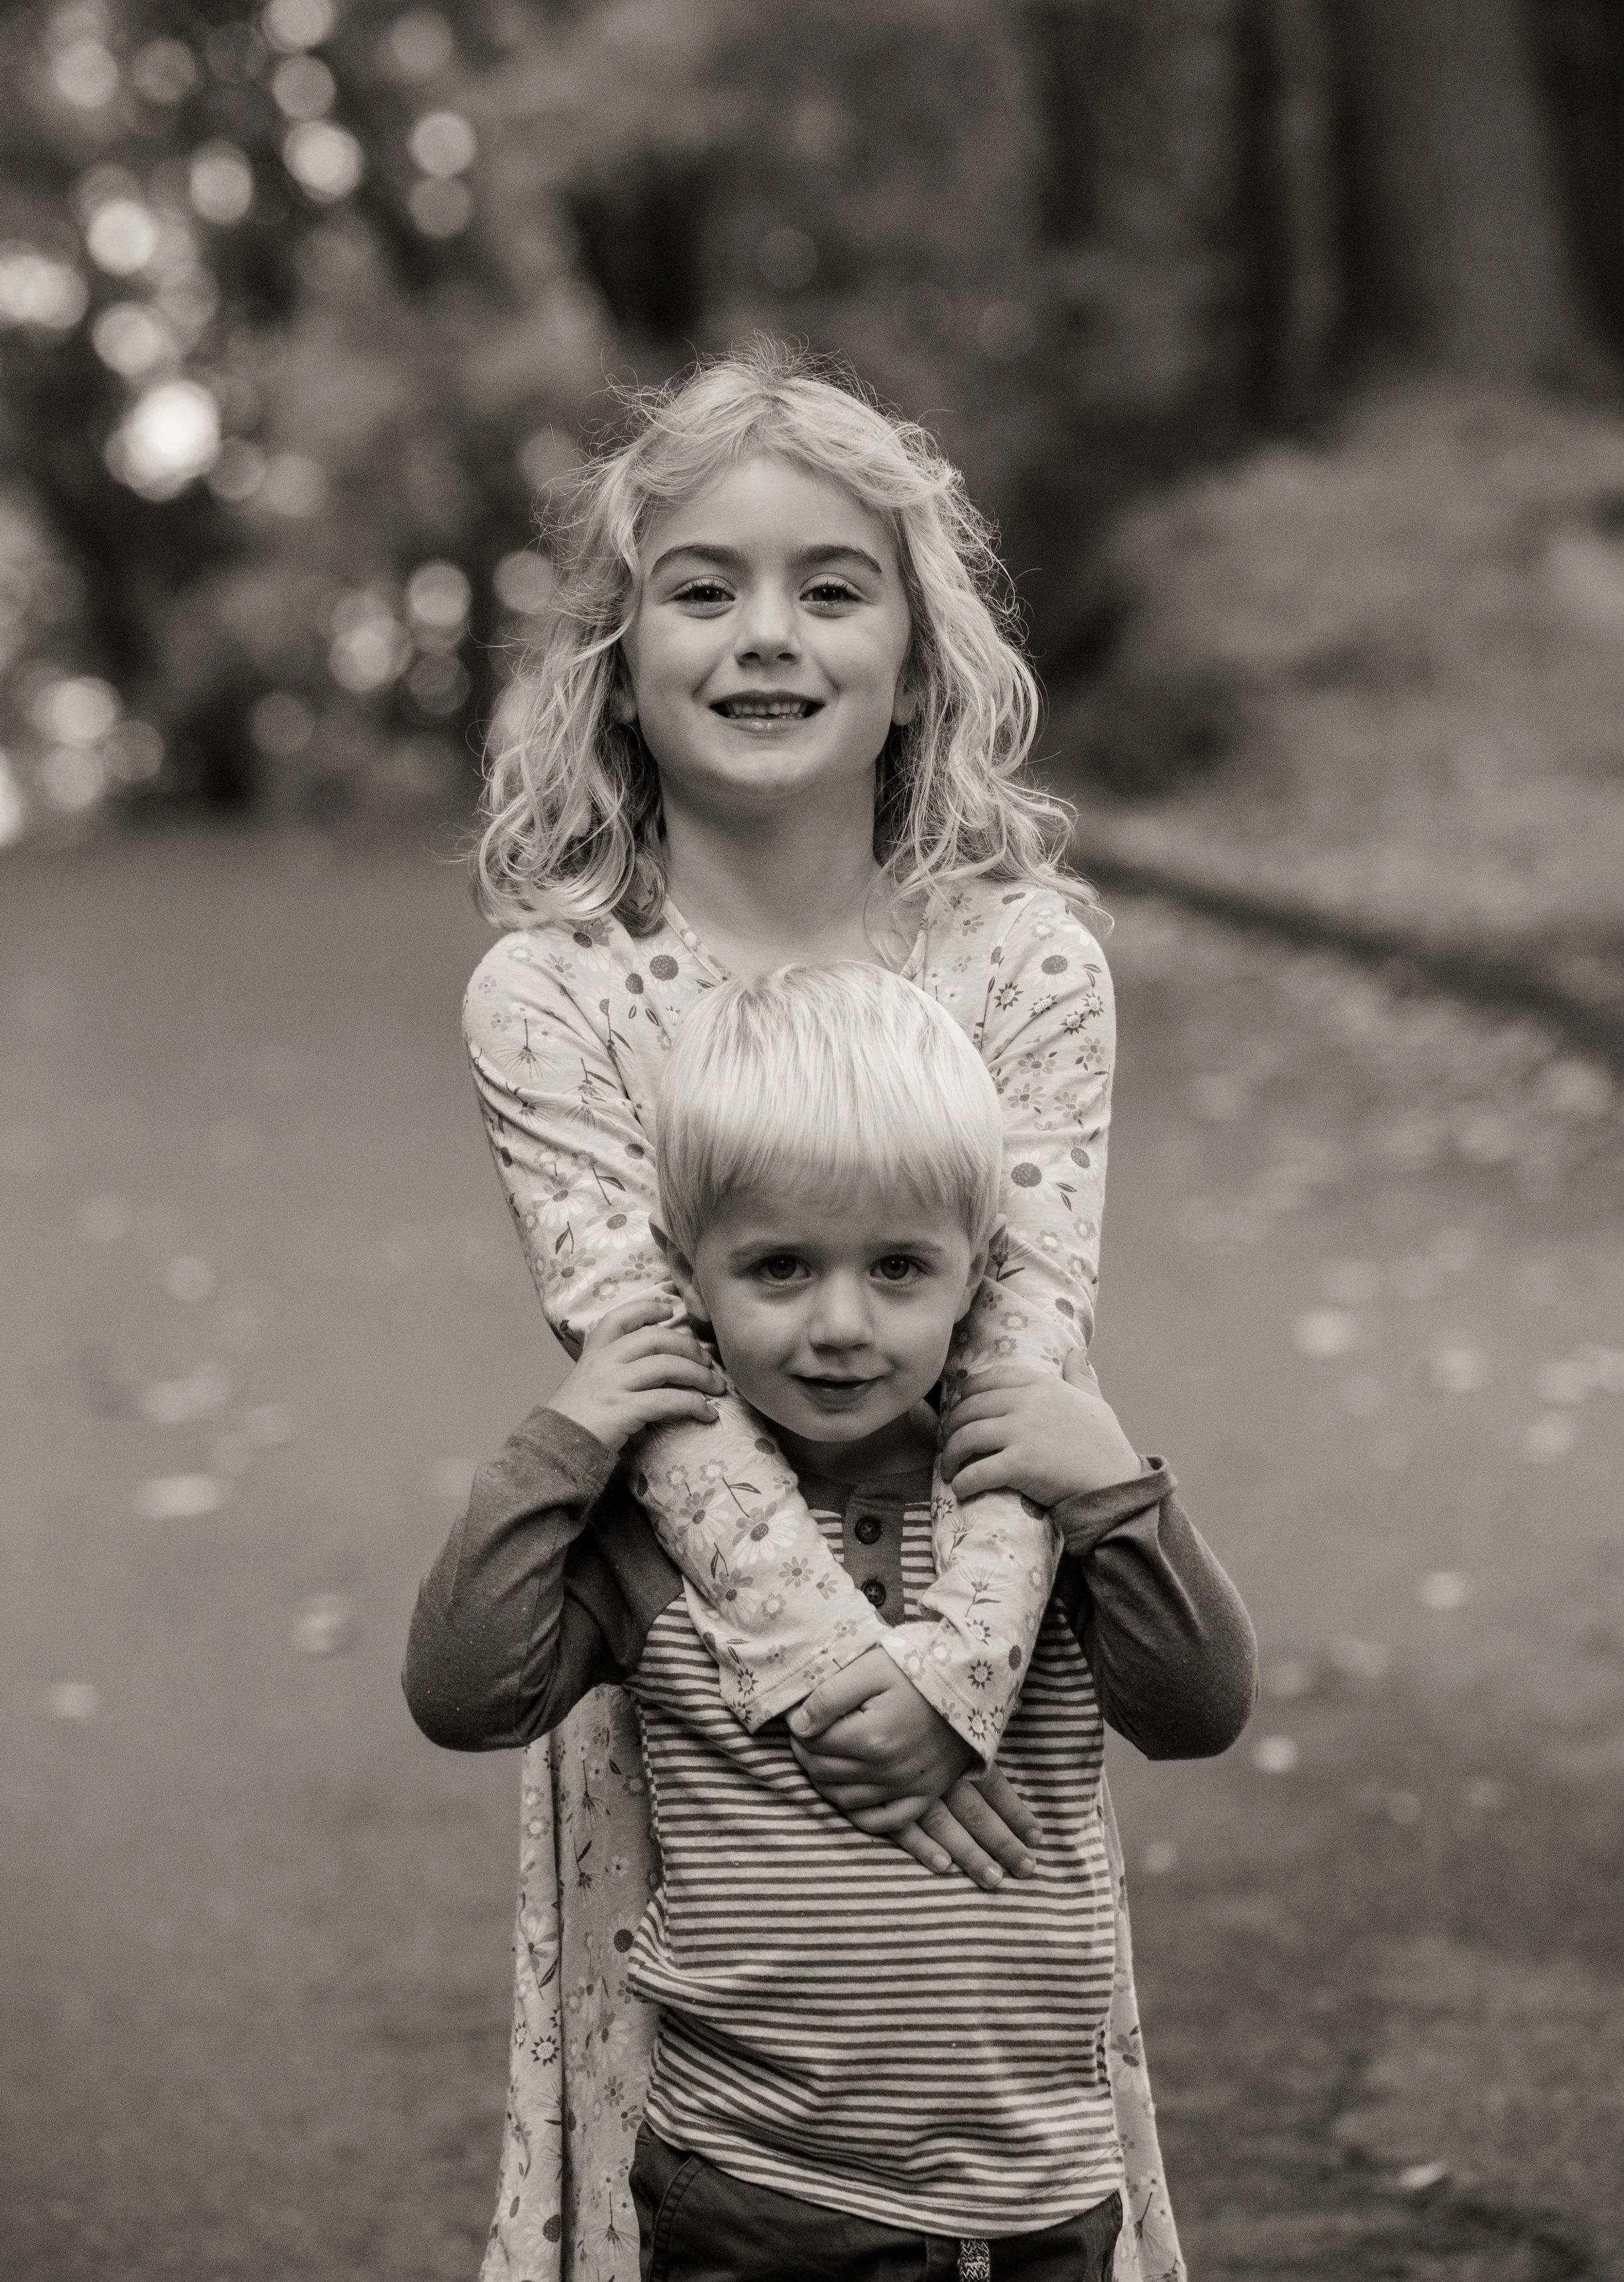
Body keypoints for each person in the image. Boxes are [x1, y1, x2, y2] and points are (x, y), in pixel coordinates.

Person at [453, 341, 1191, 2280]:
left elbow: (1032, 1339)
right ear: (619, 652)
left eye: (827, 585)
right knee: (731, 2169)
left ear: (913, 655)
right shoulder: (562, 991)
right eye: (702, 586)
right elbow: (656, 1378)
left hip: (986, 1663)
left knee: (988, 2147)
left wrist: (953, 1678)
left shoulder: (1022, 959)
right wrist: (829, 1688)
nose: (764, 633)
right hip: (711, 1687)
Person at [406, 966, 1257, 2279]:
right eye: (780, 1267)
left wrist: (1115, 1497)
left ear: (977, 1278)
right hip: (752, 2192)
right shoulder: (659, 1528)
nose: (840, 1325)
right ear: (688, 1276)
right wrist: (562, 1445)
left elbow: (1196, 1714)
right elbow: (464, 1693)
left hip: (1035, 2194)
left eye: (898, 1267)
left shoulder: (1022, 1505)